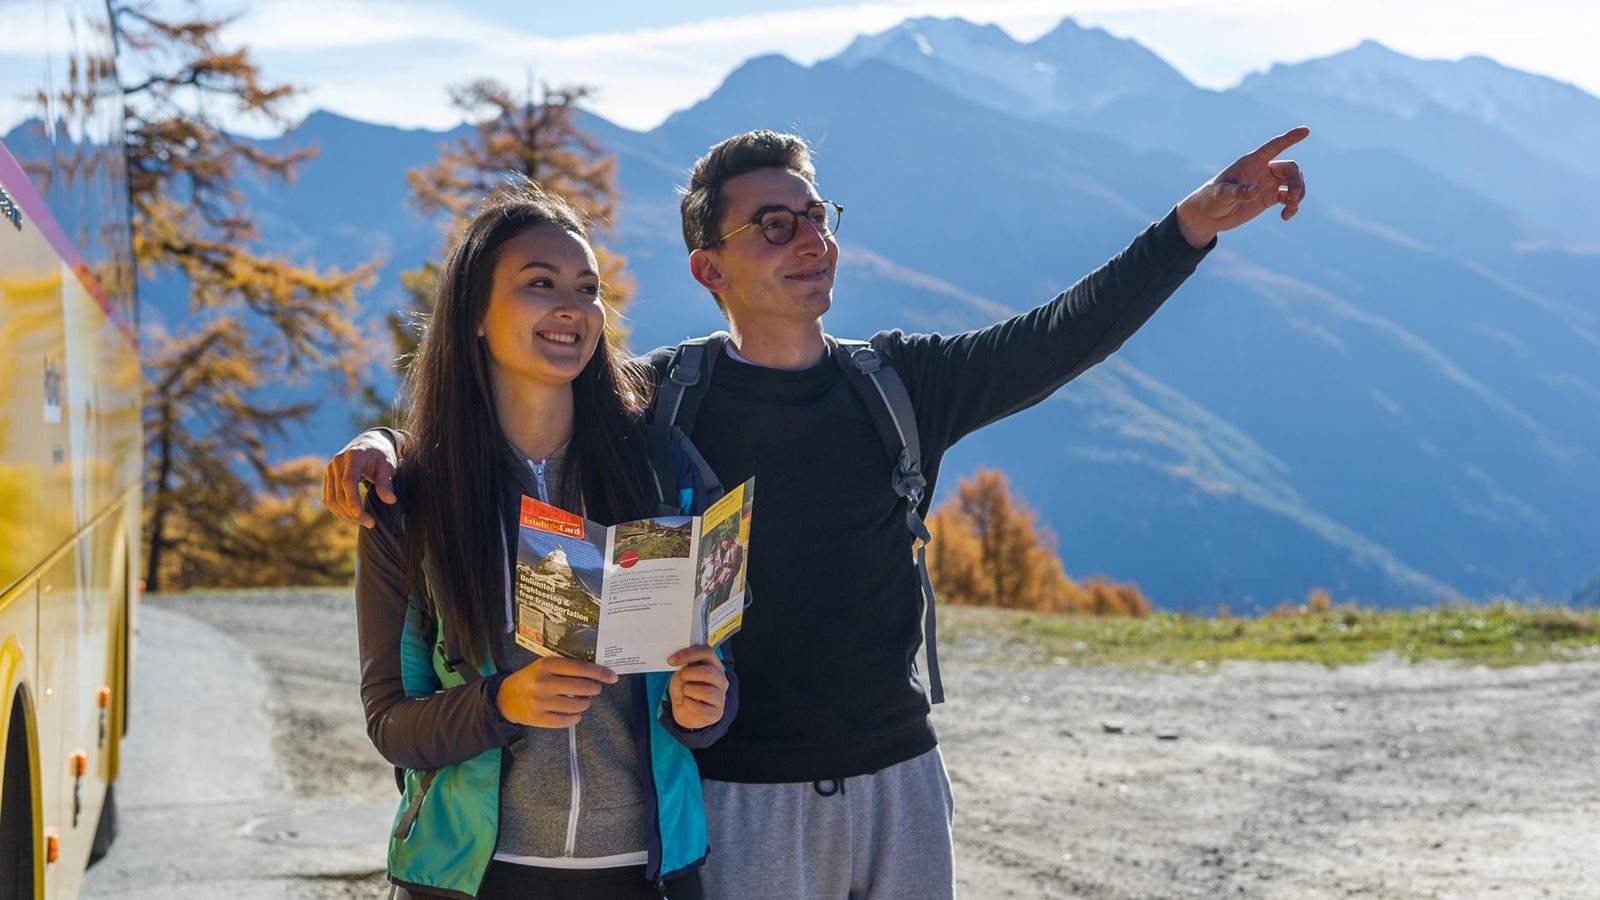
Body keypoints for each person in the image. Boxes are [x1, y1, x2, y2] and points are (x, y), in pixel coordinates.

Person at [328, 127, 1309, 899]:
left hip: (899, 775)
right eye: (773, 225)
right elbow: (512, 399)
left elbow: (1057, 339)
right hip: (740, 798)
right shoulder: (659, 406)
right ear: (708, 268)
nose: (811, 241)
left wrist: (1189, 227)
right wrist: (385, 451)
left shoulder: (900, 386)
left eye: (815, 215)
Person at [353, 180, 735, 899]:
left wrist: (704, 707)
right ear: (474, 313)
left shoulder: (663, 471)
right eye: (539, 284)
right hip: (469, 882)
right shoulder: (413, 499)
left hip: (644, 879)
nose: (572, 307)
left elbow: (715, 677)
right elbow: (391, 723)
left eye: (587, 288)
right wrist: (503, 704)